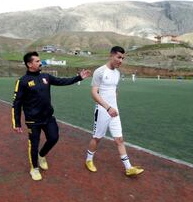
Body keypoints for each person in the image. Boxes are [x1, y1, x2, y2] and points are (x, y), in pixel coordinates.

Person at [12, 51, 90, 181]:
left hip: (48, 118)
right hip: (33, 121)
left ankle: (42, 155)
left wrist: (78, 78)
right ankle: (34, 168)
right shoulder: (22, 82)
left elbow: (62, 81)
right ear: (29, 64)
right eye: (37, 61)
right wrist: (16, 123)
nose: (40, 62)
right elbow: (16, 103)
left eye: (40, 60)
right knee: (34, 144)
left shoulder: (46, 77)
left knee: (54, 138)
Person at [85, 46, 144, 176]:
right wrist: (108, 107)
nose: (121, 60)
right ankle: (88, 160)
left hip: (114, 111)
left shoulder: (117, 73)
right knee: (97, 138)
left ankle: (128, 167)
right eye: (119, 57)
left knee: (119, 139)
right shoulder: (100, 71)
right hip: (102, 111)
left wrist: (114, 103)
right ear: (111, 56)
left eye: (123, 58)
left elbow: (114, 90)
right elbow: (94, 93)